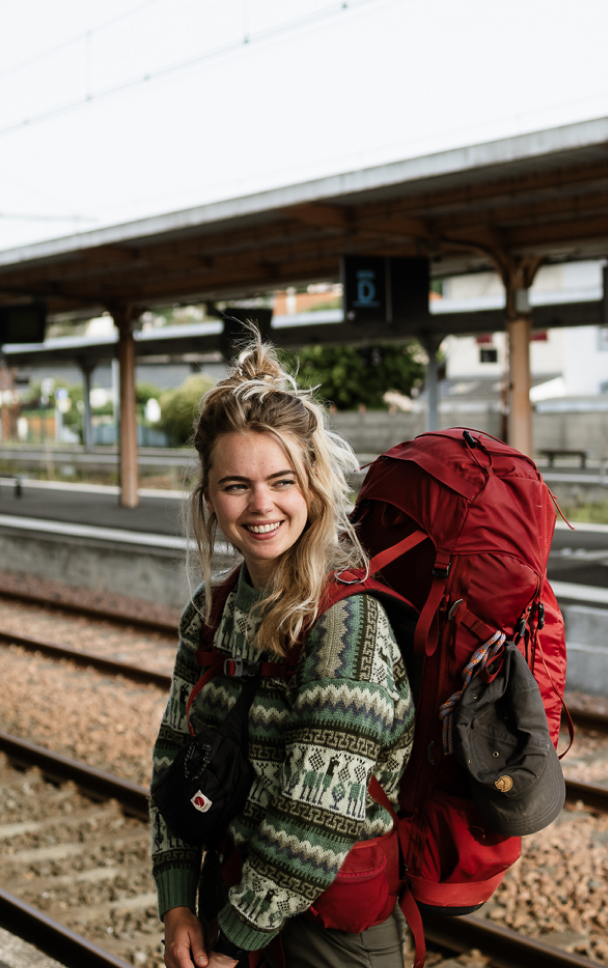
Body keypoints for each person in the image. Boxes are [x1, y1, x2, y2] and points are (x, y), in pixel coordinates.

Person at [150, 338, 414, 968]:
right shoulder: (210, 611)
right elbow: (173, 757)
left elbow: (316, 817)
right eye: (236, 485)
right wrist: (179, 901)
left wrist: (233, 941)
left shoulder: (349, 623)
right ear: (210, 499)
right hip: (229, 902)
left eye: (280, 481)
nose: (261, 505)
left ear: (313, 487)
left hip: (329, 936)